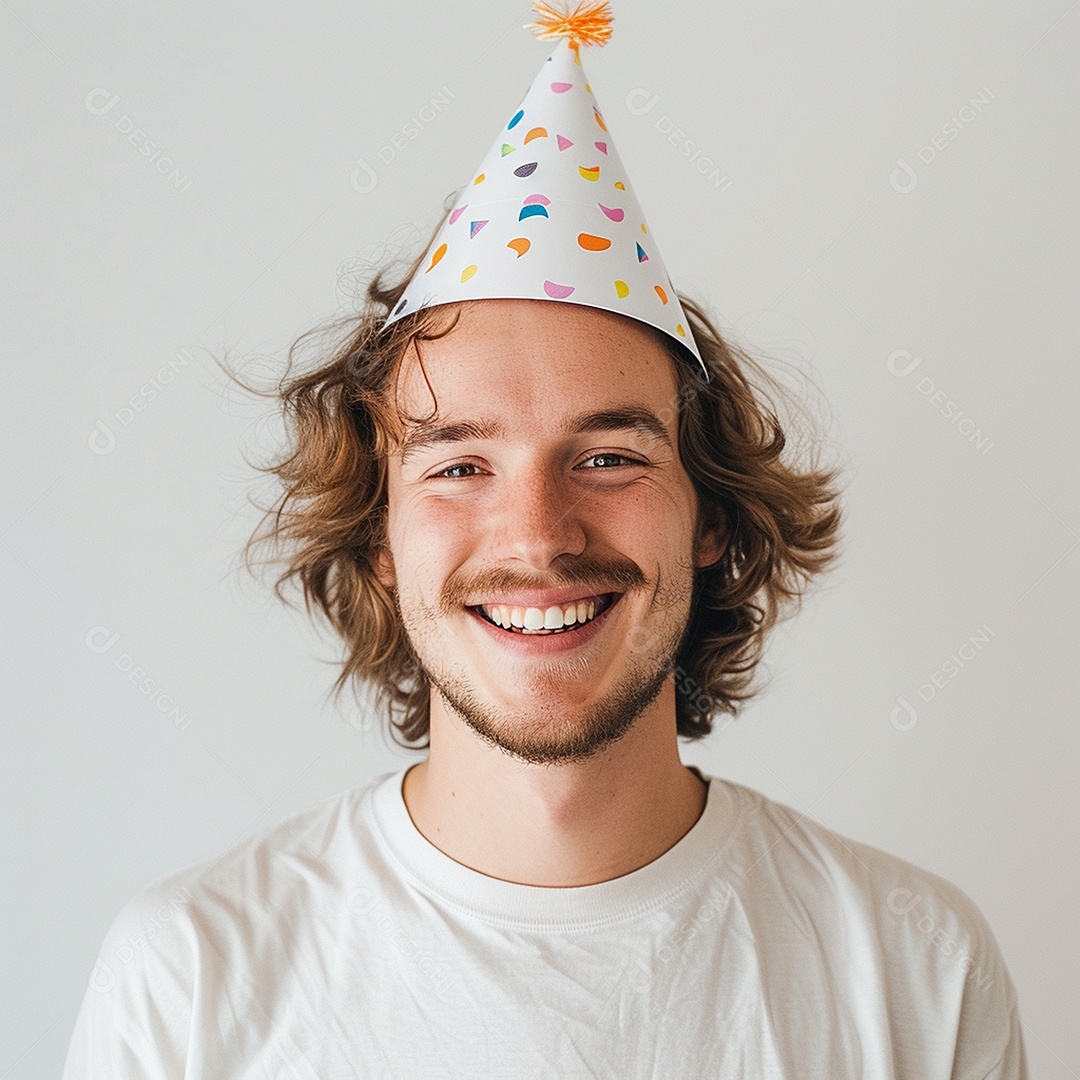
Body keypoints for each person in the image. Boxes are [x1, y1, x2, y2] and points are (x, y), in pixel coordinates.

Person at [63, 4, 1027, 1076]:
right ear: (380, 539)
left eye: (608, 457)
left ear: (707, 515)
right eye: (458, 467)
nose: (536, 535)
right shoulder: (191, 981)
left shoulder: (916, 971)